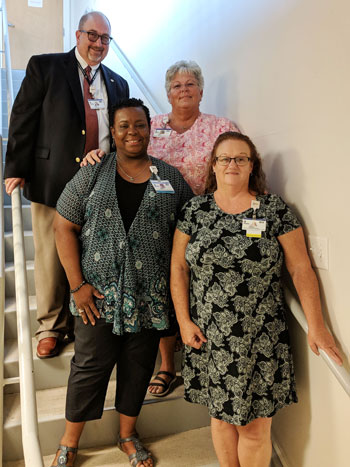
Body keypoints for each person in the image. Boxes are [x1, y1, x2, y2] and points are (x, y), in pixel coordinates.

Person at [170, 131, 343, 467]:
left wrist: (317, 326)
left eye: (241, 158)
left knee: (254, 426)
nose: (232, 164)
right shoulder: (195, 210)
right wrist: (183, 320)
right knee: (220, 418)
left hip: (260, 338)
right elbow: (178, 267)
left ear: (252, 166)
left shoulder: (274, 210)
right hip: (210, 337)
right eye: (225, 158)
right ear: (214, 166)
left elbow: (301, 270)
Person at [82, 60, 240, 396]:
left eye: (190, 85)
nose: (183, 90)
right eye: (176, 86)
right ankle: (168, 365)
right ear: (167, 93)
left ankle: (206, 357)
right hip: (158, 223)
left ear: (200, 90)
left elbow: (236, 160)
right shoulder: (151, 125)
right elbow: (125, 150)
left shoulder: (219, 127)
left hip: (206, 225)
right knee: (167, 292)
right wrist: (96, 154)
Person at [51, 98, 192, 467]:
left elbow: (190, 230)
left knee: (138, 366)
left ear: (150, 128)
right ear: (112, 132)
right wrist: (77, 285)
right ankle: (69, 443)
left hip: (149, 296)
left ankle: (127, 434)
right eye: (124, 126)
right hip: (96, 295)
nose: (133, 132)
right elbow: (62, 226)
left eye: (140, 125)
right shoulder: (93, 173)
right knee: (89, 367)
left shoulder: (170, 177)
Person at [4, 11, 129, 358]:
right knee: (48, 254)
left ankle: (83, 320)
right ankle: (50, 326)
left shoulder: (118, 83)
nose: (98, 44)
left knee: (90, 255)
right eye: (93, 35)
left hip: (100, 183)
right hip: (53, 177)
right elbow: (23, 117)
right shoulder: (45, 67)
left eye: (105, 39)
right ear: (78, 35)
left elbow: (119, 133)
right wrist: (15, 165)